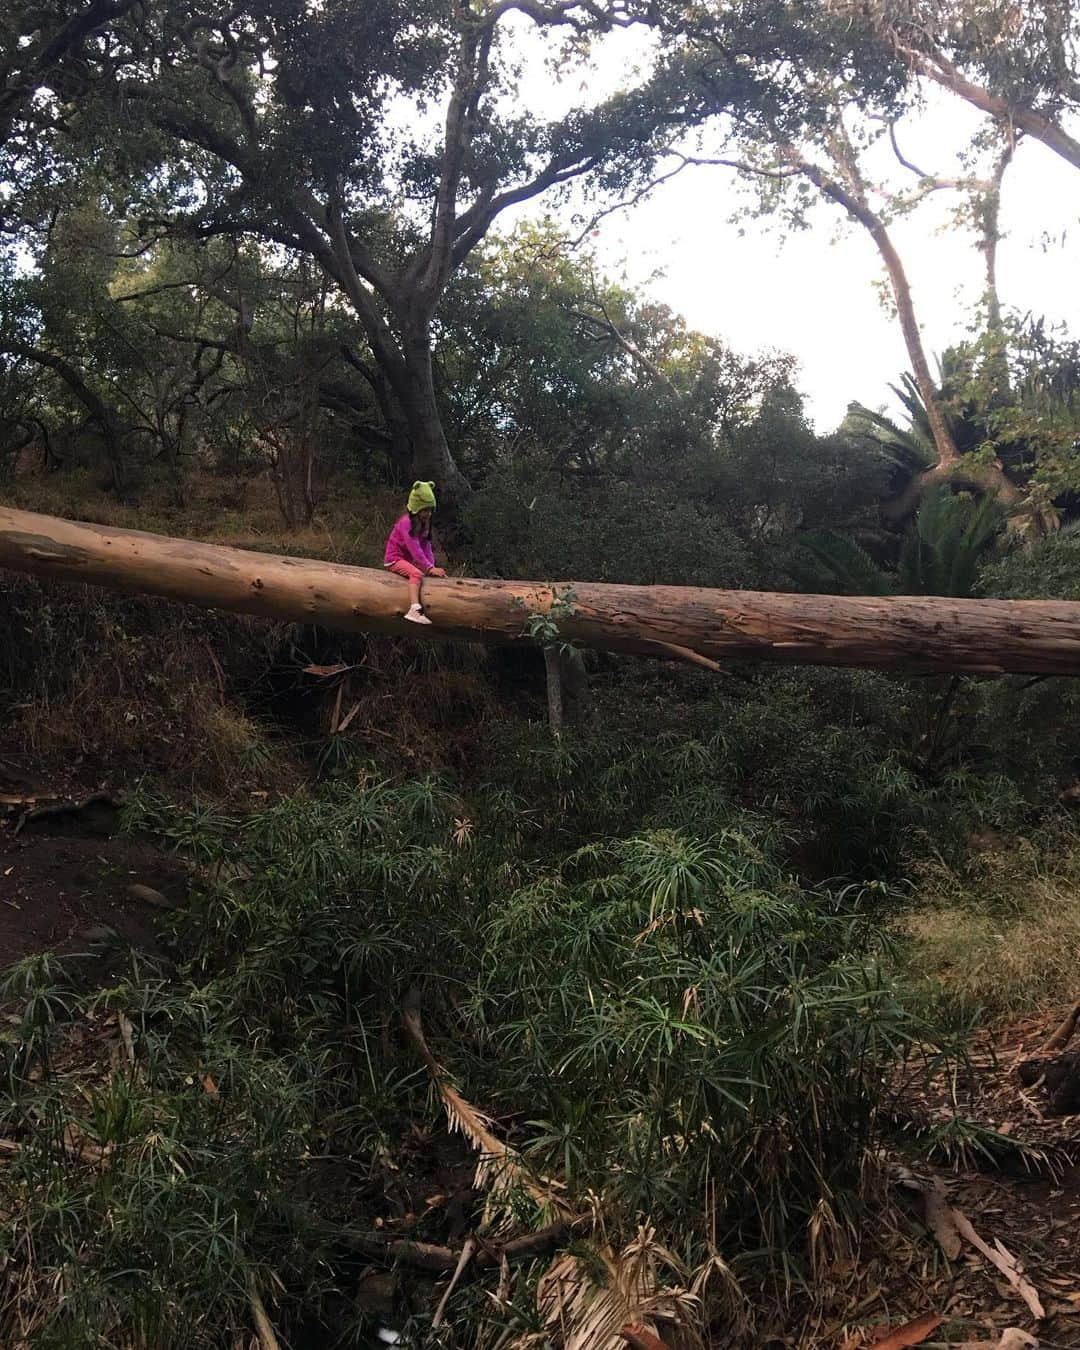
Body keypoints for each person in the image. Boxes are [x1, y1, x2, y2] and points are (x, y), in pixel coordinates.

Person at [383, 481, 447, 625]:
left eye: (430, 510)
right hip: (394, 559)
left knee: (422, 573)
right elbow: (415, 549)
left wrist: (431, 567)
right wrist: (429, 568)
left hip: (406, 559)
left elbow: (426, 547)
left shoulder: (424, 524)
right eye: (425, 510)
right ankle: (414, 609)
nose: (428, 514)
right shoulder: (406, 523)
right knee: (417, 574)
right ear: (416, 509)